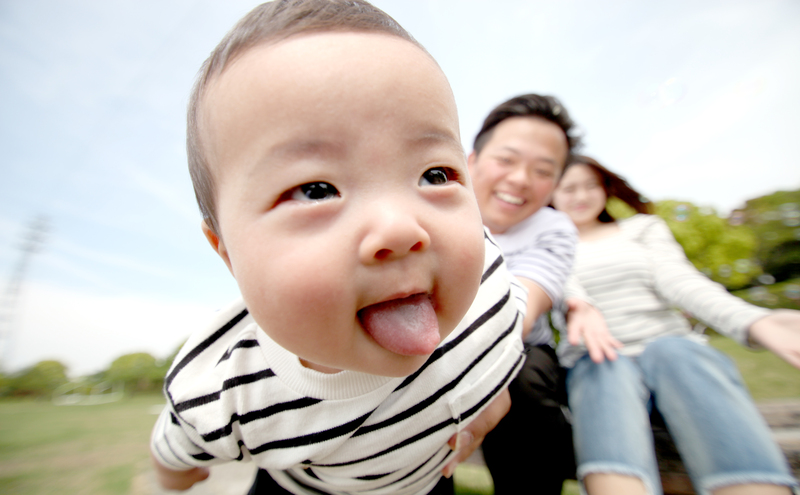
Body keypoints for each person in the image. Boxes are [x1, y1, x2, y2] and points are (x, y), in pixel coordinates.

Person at [148, 1, 528, 494]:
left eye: (435, 175)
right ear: (226, 252)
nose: (400, 229)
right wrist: (173, 476)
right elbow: (174, 452)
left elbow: (519, 317)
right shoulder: (225, 391)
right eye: (315, 190)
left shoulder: (490, 285)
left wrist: (495, 386)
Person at [551, 154, 800, 495]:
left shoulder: (642, 228)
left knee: (675, 351)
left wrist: (754, 321)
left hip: (669, 352)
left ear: (606, 188)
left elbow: (681, 281)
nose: (581, 196)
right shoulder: (548, 241)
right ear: (550, 194)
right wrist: (580, 305)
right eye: (568, 189)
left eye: (590, 186)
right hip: (598, 358)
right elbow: (563, 287)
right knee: (605, 365)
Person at [467, 94, 620, 495]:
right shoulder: (432, 209)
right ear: (471, 160)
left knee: (520, 377)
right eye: (506, 159)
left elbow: (521, 307)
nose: (520, 179)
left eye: (542, 171)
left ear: (553, 184)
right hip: (422, 345)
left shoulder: (553, 228)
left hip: (519, 347)